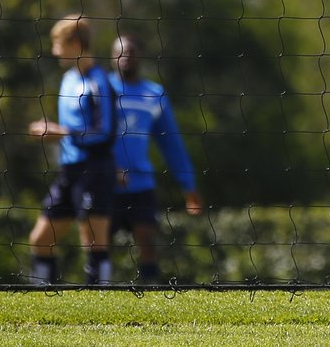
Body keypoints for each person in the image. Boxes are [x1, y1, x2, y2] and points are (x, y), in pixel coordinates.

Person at [27, 14, 117, 285]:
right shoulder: (67, 80)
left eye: (58, 43)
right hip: (69, 170)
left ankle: (101, 304)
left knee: (93, 242)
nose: (54, 51)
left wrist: (61, 132)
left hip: (95, 169)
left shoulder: (99, 82)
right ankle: (42, 299)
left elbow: (106, 132)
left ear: (76, 43)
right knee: (41, 239)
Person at [109, 34, 203, 284]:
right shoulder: (101, 90)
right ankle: (95, 293)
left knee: (147, 241)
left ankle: (150, 291)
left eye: (130, 52)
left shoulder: (154, 94)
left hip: (141, 184)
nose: (125, 57)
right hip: (105, 183)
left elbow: (171, 143)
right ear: (111, 58)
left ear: (139, 56)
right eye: (120, 52)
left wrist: (188, 185)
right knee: (98, 245)